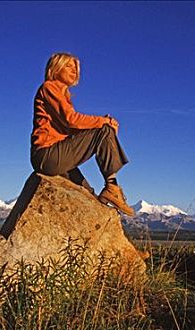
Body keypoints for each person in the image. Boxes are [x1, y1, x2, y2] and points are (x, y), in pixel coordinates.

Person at [30, 52, 135, 216]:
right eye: (69, 66)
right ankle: (112, 186)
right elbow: (71, 120)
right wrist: (104, 123)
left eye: (76, 68)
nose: (75, 71)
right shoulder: (50, 87)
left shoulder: (62, 94)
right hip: (48, 154)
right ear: (56, 68)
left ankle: (107, 205)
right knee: (104, 130)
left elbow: (72, 128)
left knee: (88, 195)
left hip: (56, 155)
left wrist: (102, 128)